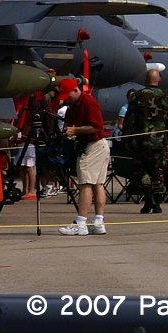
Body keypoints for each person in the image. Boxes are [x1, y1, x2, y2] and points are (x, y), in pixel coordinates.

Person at [121, 69, 168, 215]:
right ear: (158, 80)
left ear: (146, 80)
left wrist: (127, 139)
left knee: (142, 172)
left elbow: (129, 120)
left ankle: (148, 200)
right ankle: (156, 203)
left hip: (141, 142)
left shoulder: (137, 96)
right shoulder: (167, 98)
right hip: (159, 142)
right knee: (157, 171)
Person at [57, 78, 110, 235]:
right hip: (98, 145)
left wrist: (76, 130)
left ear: (76, 89)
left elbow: (96, 126)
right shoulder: (72, 105)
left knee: (85, 184)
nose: (67, 98)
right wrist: (68, 130)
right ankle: (99, 222)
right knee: (98, 184)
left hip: (94, 146)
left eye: (69, 95)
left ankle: (81, 224)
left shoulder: (88, 101)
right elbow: (69, 124)